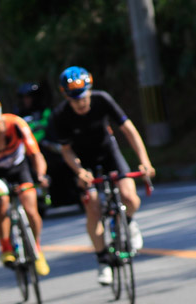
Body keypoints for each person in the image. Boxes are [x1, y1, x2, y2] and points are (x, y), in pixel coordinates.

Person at [47, 66, 155, 286]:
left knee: (130, 197)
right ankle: (103, 260)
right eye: (75, 98)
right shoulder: (60, 115)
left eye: (84, 96)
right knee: (93, 207)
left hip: (108, 153)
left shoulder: (102, 100)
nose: (81, 103)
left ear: (90, 90)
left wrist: (144, 161)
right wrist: (79, 172)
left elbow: (129, 130)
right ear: (66, 96)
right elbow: (66, 150)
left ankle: (128, 222)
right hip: (83, 162)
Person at [0, 92, 50, 277]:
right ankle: (6, 247)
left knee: (30, 208)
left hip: (19, 168)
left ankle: (37, 248)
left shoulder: (16, 123)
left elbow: (35, 154)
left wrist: (40, 175)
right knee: (1, 203)